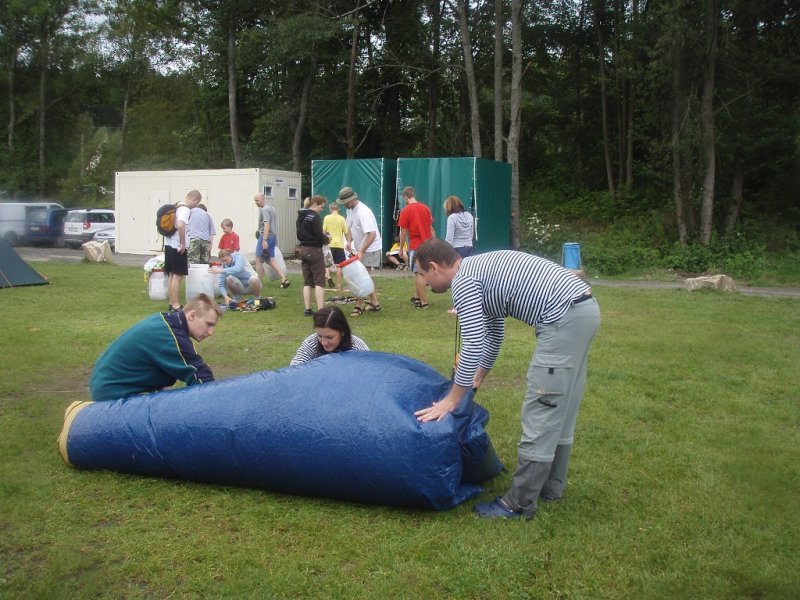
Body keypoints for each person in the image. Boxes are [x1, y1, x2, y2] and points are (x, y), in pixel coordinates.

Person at [413, 239, 600, 520]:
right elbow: (493, 334)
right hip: (582, 311)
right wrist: (478, 376)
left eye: (422, 275)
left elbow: (473, 343)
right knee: (560, 406)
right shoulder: (477, 271)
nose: (425, 283)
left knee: (543, 407)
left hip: (562, 318)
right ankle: (550, 486)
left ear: (434, 267)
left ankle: (518, 504)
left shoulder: (464, 281)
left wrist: (452, 399)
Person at [89, 294, 220, 402]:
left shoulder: (166, 320)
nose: (211, 332)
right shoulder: (171, 336)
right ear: (192, 316)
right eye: (208, 324)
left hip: (106, 387)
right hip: (115, 397)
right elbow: (201, 378)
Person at [338, 186, 382, 315]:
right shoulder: (350, 210)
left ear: (352, 199)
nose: (344, 205)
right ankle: (374, 303)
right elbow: (350, 227)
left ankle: (358, 306)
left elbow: (372, 234)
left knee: (361, 278)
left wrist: (362, 250)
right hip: (360, 248)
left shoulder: (363, 212)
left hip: (370, 248)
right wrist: (349, 241)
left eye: (345, 202)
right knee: (364, 277)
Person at [397, 186, 436, 309]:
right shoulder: (425, 208)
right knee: (421, 272)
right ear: (414, 195)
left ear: (405, 197)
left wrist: (401, 248)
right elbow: (431, 228)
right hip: (428, 244)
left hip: (416, 246)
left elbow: (403, 232)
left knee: (419, 273)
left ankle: (423, 302)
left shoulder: (405, 211)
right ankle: (417, 296)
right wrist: (434, 243)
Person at [290, 306, 369, 366]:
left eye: (329, 337)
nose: (324, 342)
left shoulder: (358, 349)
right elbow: (295, 369)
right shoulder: (311, 343)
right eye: (319, 336)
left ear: (343, 332)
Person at [165, 190, 202, 311]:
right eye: (196, 203)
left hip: (169, 244)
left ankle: (171, 303)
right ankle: (176, 305)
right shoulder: (185, 209)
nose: (195, 206)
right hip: (178, 247)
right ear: (194, 199)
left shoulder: (177, 206)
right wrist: (182, 243)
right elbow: (180, 225)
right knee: (177, 276)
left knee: (172, 275)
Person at [296, 195, 330, 316]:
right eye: (322, 207)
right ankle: (321, 310)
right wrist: (327, 239)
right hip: (314, 250)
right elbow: (319, 236)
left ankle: (308, 309)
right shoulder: (315, 217)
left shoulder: (300, 216)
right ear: (315, 204)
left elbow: (299, 235)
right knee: (319, 281)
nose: (322, 209)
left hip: (303, 249)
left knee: (307, 282)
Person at [254, 193, 290, 289]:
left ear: (263, 199)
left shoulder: (265, 210)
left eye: (257, 200)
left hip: (266, 237)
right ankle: (284, 279)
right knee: (270, 260)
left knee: (258, 260)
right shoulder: (271, 208)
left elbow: (267, 225)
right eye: (255, 200)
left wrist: (264, 240)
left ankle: (258, 283)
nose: (255, 202)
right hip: (273, 237)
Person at [323, 202, 349, 290]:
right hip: (339, 245)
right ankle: (339, 285)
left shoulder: (327, 218)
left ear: (330, 209)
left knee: (327, 264)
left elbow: (323, 231)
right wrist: (348, 242)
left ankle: (328, 277)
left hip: (329, 244)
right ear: (338, 209)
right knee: (339, 266)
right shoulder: (342, 219)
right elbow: (346, 232)